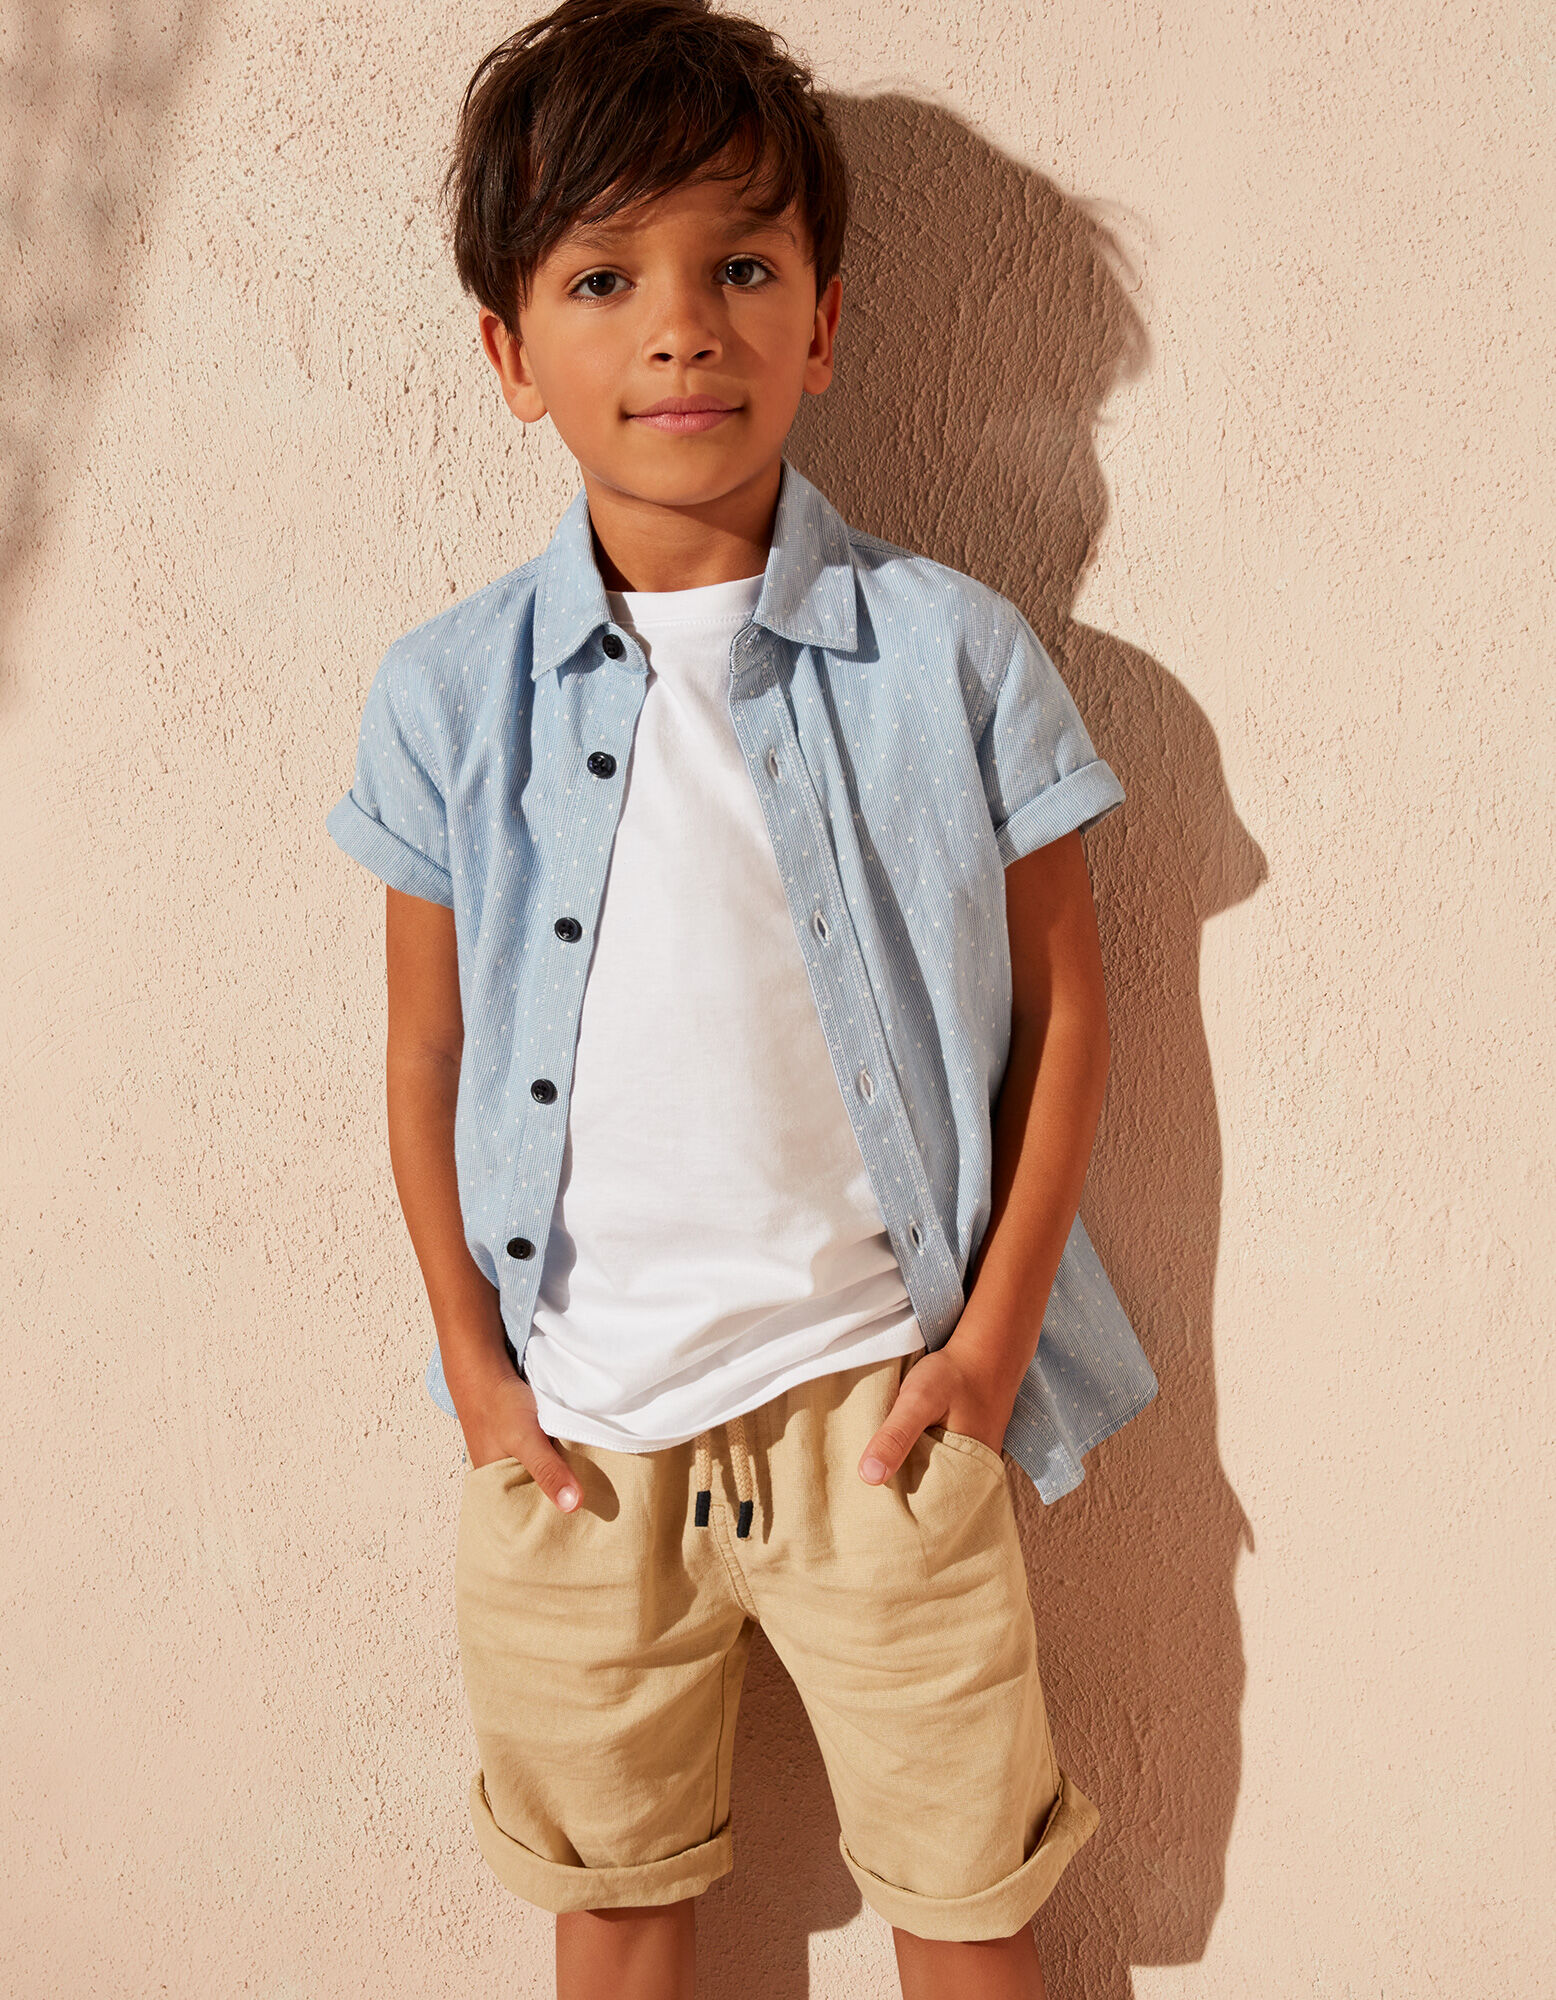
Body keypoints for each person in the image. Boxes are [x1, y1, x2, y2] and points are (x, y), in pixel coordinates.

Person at [325, 2, 1158, 1993]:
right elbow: (425, 1048)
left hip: (883, 1410)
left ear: (825, 322)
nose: (682, 329)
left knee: (970, 1898)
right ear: (509, 356)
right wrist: (477, 1374)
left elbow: (1068, 1015)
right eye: (605, 279)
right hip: (576, 1431)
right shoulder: (449, 696)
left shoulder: (950, 655)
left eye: (743, 269)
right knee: (613, 1908)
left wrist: (986, 1357)